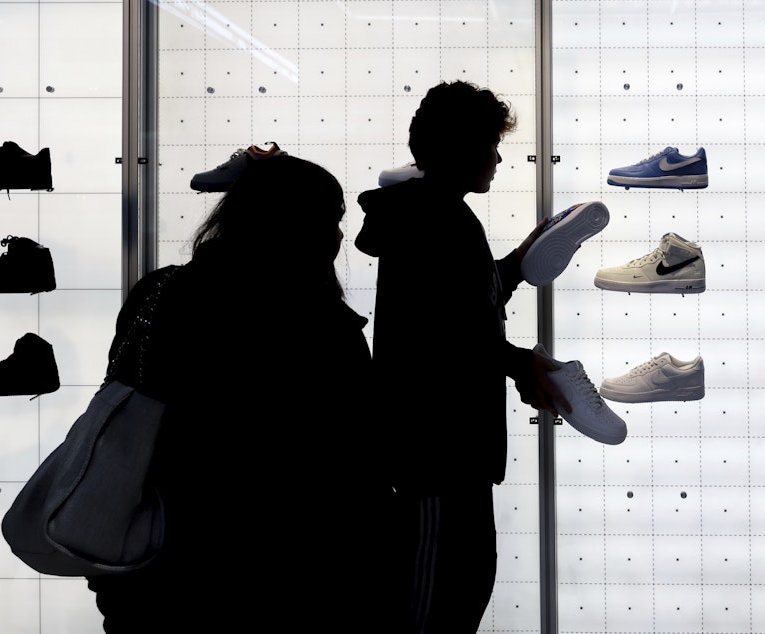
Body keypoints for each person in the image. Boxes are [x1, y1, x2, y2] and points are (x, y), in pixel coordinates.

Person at [87, 154, 397, 632]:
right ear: (299, 224)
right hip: (284, 583)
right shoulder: (318, 322)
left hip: (156, 569)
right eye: (333, 219)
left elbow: (121, 413)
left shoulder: (160, 291)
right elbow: (357, 468)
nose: (340, 237)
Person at [354, 79, 570, 633]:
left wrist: (518, 264)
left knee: (460, 593)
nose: (499, 158)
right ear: (464, 148)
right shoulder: (433, 219)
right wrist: (520, 362)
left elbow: (457, 307)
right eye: (491, 145)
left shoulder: (437, 215)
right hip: (433, 458)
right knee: (431, 612)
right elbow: (442, 335)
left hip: (453, 456)